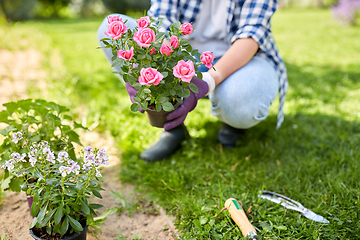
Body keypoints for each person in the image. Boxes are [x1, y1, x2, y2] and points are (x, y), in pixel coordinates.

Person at [97, 0, 288, 163]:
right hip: (183, 54)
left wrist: (208, 80)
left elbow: (251, 33)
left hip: (243, 58)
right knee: (110, 27)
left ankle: (232, 124)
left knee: (242, 103)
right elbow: (161, 21)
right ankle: (172, 127)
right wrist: (144, 69)